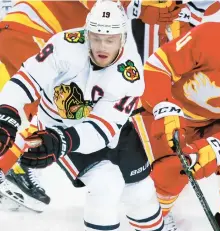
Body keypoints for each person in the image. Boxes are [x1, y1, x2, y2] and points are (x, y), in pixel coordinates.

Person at [0, 1, 169, 230]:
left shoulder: (130, 74)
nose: (101, 46)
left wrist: (61, 142)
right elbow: (26, 79)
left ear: (123, 37)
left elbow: (103, 128)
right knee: (106, 184)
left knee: (142, 192)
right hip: (58, 124)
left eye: (110, 39)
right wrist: (7, 114)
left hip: (104, 129)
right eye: (96, 37)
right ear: (86, 31)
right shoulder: (64, 45)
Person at [133, 2, 220, 231]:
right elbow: (158, 66)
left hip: (215, 124)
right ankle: (153, 223)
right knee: (172, 171)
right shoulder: (209, 36)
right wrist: (164, 107)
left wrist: (212, 149)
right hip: (171, 112)